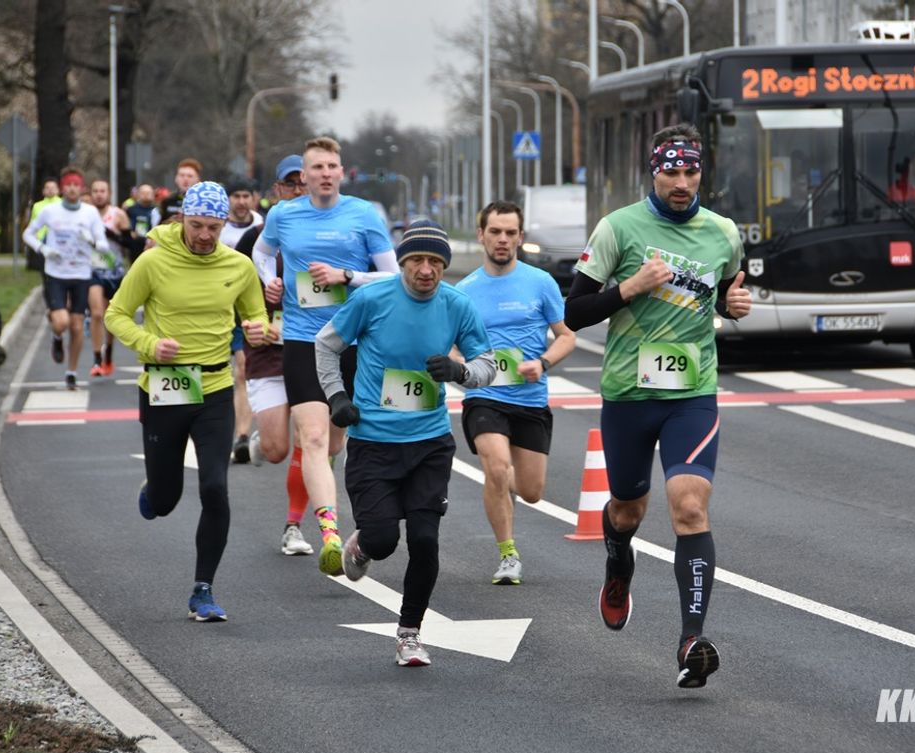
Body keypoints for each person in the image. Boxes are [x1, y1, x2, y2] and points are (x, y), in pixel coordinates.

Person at [563, 123, 751, 689]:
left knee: (688, 505)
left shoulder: (723, 233)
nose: (682, 181)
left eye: (691, 170)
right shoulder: (618, 228)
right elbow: (573, 314)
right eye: (672, 170)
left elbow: (725, 294)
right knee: (628, 508)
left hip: (692, 392)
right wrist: (630, 287)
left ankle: (691, 638)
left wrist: (735, 304)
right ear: (654, 170)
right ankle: (618, 559)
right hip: (627, 394)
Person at [315, 220, 496, 666]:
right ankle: (360, 545)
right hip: (373, 443)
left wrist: (460, 373)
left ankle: (410, 633)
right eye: (417, 259)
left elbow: (488, 364)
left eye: (436, 262)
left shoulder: (457, 306)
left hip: (430, 444)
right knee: (382, 539)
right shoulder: (371, 299)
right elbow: (325, 344)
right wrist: (336, 396)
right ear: (401, 263)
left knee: (425, 539)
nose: (426, 269)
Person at [104, 181, 272, 622]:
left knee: (215, 487)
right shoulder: (153, 262)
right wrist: (148, 343)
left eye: (213, 227)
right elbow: (115, 314)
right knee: (165, 499)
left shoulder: (238, 265)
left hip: (215, 388)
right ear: (181, 219)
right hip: (165, 385)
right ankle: (155, 490)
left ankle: (203, 589)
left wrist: (258, 329)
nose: (204, 235)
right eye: (197, 225)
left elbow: (256, 314)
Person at [252, 136, 398, 576]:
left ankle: (331, 512)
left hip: (355, 341)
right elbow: (262, 252)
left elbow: (390, 276)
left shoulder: (363, 215)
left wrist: (346, 275)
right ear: (306, 175)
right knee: (312, 438)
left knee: (337, 441)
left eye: (332, 166)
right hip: (303, 340)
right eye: (316, 168)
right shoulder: (283, 215)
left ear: (341, 171)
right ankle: (330, 535)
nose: (325, 174)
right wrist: (269, 281)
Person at [455, 200, 576, 585]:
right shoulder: (465, 291)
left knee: (531, 491)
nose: (502, 239)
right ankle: (508, 554)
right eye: (495, 232)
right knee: (496, 466)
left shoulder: (540, 283)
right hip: (484, 394)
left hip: (530, 398)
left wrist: (541, 363)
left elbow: (566, 336)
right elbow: (449, 344)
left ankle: (503, 477)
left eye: (510, 233)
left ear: (520, 237)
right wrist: (463, 367)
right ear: (481, 235)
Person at [236, 155, 314, 555]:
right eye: (291, 184)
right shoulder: (257, 238)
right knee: (276, 449)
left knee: (310, 439)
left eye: (305, 183)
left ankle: (293, 526)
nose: (299, 190)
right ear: (277, 191)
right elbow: (234, 290)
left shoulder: (329, 236)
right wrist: (251, 322)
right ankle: (259, 442)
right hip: (267, 351)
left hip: (312, 349)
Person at [22, 167, 110, 390]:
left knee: (77, 326)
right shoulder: (50, 212)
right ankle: (57, 336)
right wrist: (43, 248)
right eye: (68, 184)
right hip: (56, 273)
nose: (72, 188)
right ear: (62, 188)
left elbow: (104, 245)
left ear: (81, 188)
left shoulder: (89, 213)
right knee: (61, 322)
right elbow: (27, 234)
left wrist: (90, 240)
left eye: (76, 184)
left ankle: (71, 372)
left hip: (81, 274)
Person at [221, 177, 265, 463]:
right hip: (219, 305)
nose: (240, 201)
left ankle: (241, 436)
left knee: (242, 369)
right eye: (235, 196)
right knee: (227, 372)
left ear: (254, 198)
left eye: (245, 195)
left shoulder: (262, 226)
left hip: (249, 308)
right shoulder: (218, 227)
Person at [88, 178, 131, 378]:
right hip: (92, 270)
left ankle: (109, 353)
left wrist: (112, 235)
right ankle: (97, 358)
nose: (99, 194)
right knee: (97, 314)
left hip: (114, 271)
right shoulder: (85, 215)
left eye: (102, 190)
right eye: (95, 190)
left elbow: (129, 243)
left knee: (110, 317)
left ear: (109, 193)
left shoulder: (118, 215)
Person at [155, 157, 202, 227]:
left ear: (198, 179)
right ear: (176, 178)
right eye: (182, 175)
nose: (185, 179)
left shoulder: (202, 201)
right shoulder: (167, 201)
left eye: (190, 176)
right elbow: (159, 228)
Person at [126, 183, 158, 257]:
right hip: (135, 245)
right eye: (143, 193)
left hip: (152, 244)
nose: (146, 195)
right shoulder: (130, 210)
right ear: (138, 194)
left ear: (153, 195)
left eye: (148, 193)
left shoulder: (157, 210)